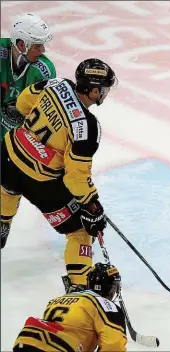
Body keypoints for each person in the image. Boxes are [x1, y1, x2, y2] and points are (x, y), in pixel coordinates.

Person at [0, 58, 117, 292]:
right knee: (81, 231)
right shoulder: (88, 126)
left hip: (7, 155)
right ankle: (80, 288)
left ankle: (2, 222)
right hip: (40, 182)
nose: (104, 93)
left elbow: (23, 103)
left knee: (8, 189)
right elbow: (75, 178)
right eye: (103, 89)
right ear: (94, 91)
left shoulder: (57, 83)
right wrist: (92, 206)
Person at [13, 262, 127, 352]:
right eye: (114, 286)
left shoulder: (57, 299)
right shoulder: (105, 305)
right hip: (60, 347)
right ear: (108, 287)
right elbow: (114, 346)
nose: (114, 290)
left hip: (26, 340)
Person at [1, 13, 56, 141]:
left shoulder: (44, 71)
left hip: (20, 139)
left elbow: (44, 114)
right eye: (37, 46)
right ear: (21, 44)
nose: (42, 50)